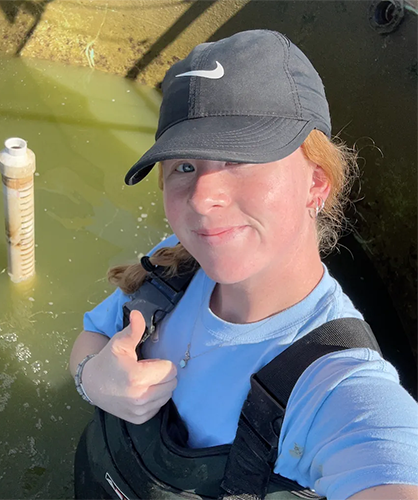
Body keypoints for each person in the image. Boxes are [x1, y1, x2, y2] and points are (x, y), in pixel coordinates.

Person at [69, 30, 418, 500]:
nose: (202, 197)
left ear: (317, 184)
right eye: (184, 167)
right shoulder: (176, 264)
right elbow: (93, 336)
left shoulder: (338, 385)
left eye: (239, 157)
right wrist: (93, 379)